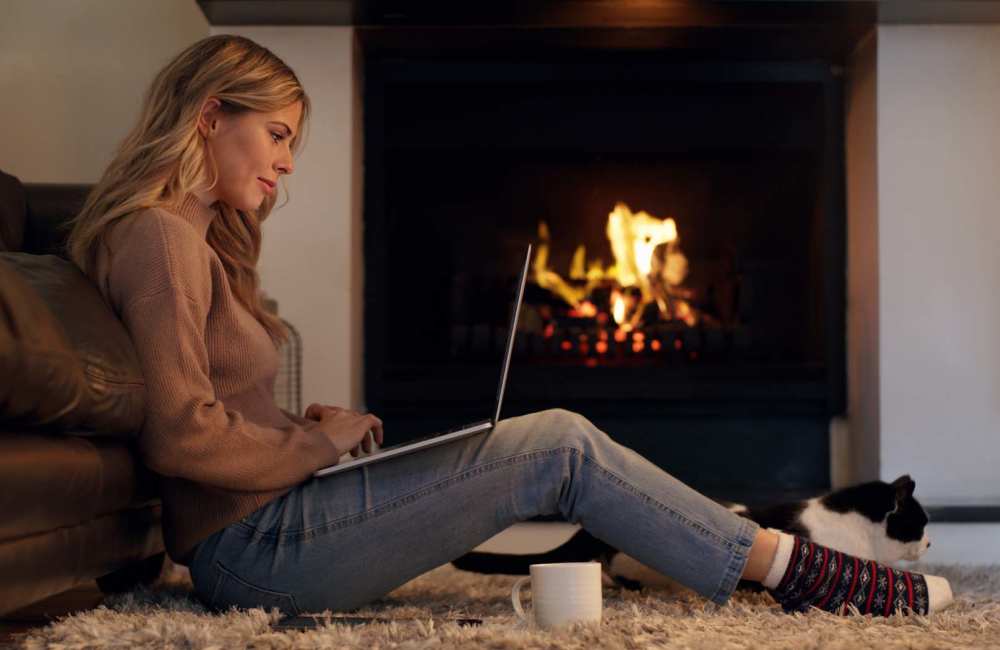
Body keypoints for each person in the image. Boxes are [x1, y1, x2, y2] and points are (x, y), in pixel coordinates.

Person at [66, 34, 952, 618]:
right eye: (277, 133)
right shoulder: (157, 237)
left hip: (275, 521)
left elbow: (208, 403)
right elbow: (181, 434)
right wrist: (313, 450)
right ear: (210, 114)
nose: (287, 161)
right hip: (256, 553)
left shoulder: (186, 240)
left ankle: (771, 559)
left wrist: (298, 431)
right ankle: (797, 570)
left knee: (554, 444)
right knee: (558, 445)